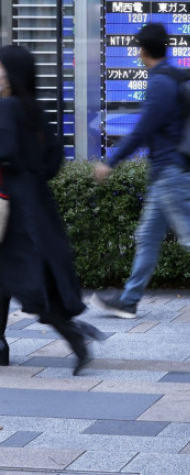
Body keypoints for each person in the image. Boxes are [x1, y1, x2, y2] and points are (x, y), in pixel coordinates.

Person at [91, 23, 190, 320]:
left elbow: (143, 130)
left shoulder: (161, 83)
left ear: (142, 50)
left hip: (171, 175)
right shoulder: (174, 79)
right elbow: (186, 130)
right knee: (148, 237)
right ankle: (129, 299)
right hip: (169, 174)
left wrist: (110, 162)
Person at [0, 46, 102, 374]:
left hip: (13, 211)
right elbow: (54, 159)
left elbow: (4, 151)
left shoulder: (8, 108)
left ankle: (74, 335)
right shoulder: (35, 111)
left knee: (28, 284)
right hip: (38, 205)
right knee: (27, 280)